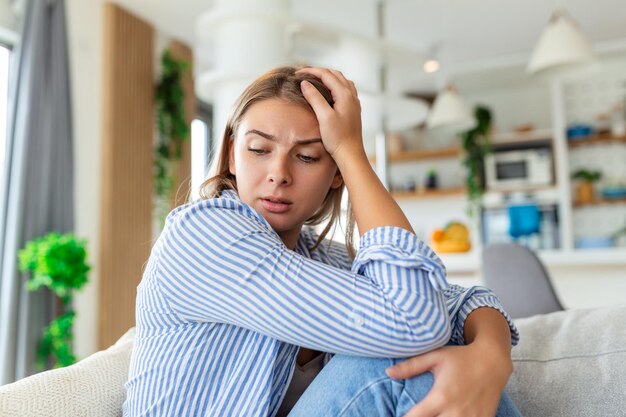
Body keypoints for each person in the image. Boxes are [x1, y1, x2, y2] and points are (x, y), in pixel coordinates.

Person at [123, 66, 521, 417]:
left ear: (335, 175)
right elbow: (414, 321)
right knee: (389, 364)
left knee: (436, 367)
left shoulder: (315, 255)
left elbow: (458, 301)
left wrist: (489, 355)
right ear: (231, 154)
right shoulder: (204, 236)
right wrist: (352, 152)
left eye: (308, 156)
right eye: (259, 149)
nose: (278, 173)